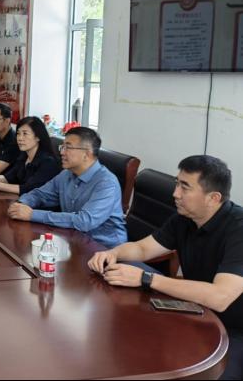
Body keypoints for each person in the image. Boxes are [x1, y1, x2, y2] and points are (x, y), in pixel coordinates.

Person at [88, 155, 243, 380]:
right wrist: (113, 253)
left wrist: (146, 278)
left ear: (213, 198)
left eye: (185, 187)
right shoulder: (185, 218)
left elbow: (220, 297)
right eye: (177, 184)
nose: (175, 194)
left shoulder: (238, 228)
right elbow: (143, 249)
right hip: (199, 313)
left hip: (235, 331)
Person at [8, 126, 127, 248]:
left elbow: (84, 221)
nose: (62, 152)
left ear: (87, 154)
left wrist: (32, 214)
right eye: (62, 147)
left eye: (68, 148)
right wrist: (21, 204)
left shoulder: (106, 183)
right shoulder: (66, 175)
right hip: (74, 239)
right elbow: (41, 194)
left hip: (105, 248)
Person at [0, 115, 60, 195]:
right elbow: (7, 178)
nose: (20, 138)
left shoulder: (48, 162)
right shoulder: (24, 156)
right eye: (18, 134)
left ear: (38, 137)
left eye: (25, 134)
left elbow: (27, 189)